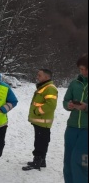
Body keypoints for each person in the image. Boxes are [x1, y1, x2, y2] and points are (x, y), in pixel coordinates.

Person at [22, 69, 58, 171]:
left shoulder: (50, 88)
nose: (37, 76)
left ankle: (37, 162)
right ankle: (41, 161)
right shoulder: (44, 87)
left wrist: (37, 111)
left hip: (43, 121)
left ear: (46, 77)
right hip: (40, 121)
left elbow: (51, 105)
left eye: (39, 75)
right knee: (41, 141)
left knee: (40, 142)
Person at [62, 53, 88, 183]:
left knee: (81, 162)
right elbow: (65, 100)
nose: (83, 72)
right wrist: (69, 105)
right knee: (68, 161)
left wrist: (85, 108)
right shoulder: (74, 83)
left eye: (86, 69)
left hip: (86, 130)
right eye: (81, 69)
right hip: (72, 127)